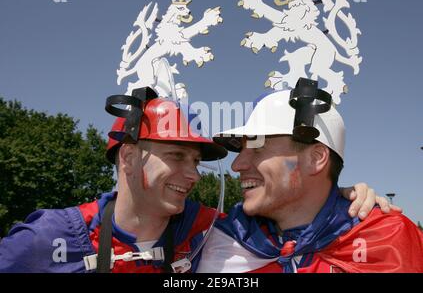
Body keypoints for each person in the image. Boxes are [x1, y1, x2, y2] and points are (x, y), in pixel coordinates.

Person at [0, 92, 398, 273]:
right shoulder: (47, 238)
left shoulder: (210, 230)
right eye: (176, 157)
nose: (192, 175)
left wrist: (345, 200)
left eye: (195, 161)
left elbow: (299, 216)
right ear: (127, 156)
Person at [197, 87, 423, 273]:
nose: (237, 165)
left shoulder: (388, 238)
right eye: (241, 150)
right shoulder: (214, 236)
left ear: (316, 159)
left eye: (258, 150)